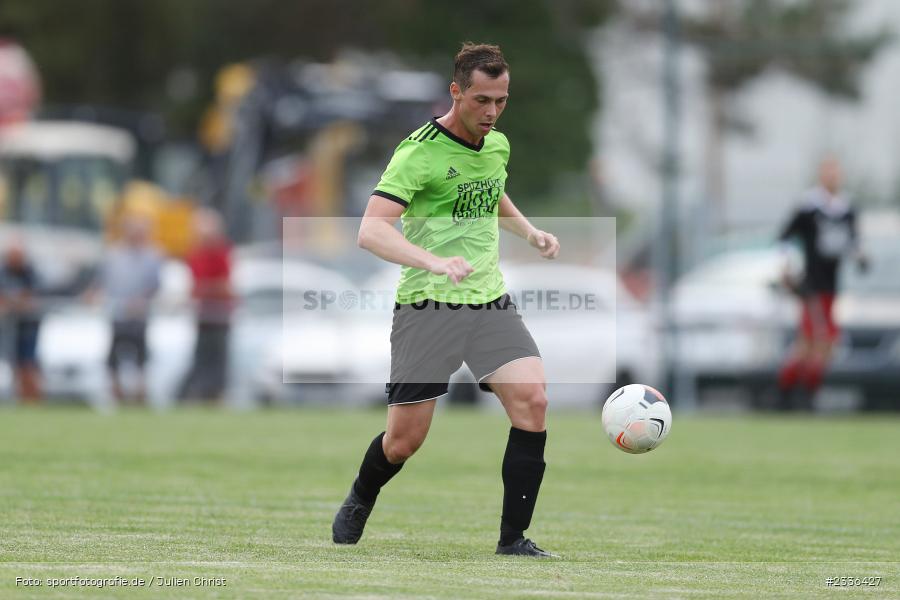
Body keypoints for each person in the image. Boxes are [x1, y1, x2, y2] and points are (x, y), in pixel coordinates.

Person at [331, 43, 561, 557]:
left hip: (487, 300)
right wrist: (432, 261)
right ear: (456, 91)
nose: (492, 112)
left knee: (534, 400)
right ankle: (361, 497)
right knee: (404, 441)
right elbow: (370, 232)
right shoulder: (418, 152)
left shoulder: (496, 143)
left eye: (501, 101)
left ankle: (512, 540)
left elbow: (490, 189)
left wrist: (529, 232)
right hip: (429, 304)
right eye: (482, 100)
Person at [776, 157, 867, 411]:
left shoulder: (846, 208)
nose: (833, 177)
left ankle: (801, 393)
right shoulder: (809, 207)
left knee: (822, 344)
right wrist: (787, 267)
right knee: (816, 339)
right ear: (821, 175)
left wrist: (860, 256)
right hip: (812, 285)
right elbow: (784, 237)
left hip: (831, 285)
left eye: (836, 172)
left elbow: (853, 241)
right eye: (829, 172)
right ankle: (790, 394)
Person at [94, 216, 162, 405]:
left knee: (141, 357)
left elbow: (156, 285)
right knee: (114, 356)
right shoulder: (113, 254)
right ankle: (116, 395)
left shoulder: (152, 255)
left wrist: (142, 301)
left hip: (140, 316)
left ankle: (140, 396)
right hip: (118, 314)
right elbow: (102, 281)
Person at [178, 208, 233, 403]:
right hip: (203, 316)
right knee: (202, 358)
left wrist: (204, 290)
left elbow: (224, 286)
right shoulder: (195, 254)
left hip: (219, 316)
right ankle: (198, 395)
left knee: (218, 361)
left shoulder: (221, 252)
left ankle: (215, 397)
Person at [0, 241, 42, 402]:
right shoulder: (3, 271)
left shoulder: (30, 272)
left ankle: (32, 400)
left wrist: (14, 302)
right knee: (13, 364)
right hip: (7, 329)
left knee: (28, 364)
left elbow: (33, 297)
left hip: (28, 328)